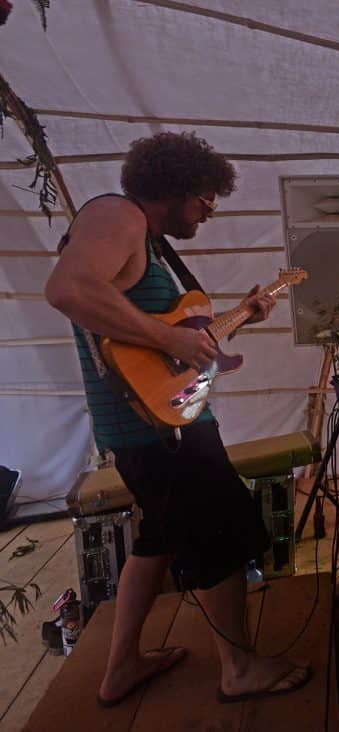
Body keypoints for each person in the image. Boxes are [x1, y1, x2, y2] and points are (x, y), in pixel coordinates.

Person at [43, 133, 310, 705]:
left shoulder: (150, 242)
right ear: (176, 186)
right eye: (206, 197)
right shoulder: (116, 215)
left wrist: (241, 317)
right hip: (157, 431)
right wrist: (170, 338)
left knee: (158, 537)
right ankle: (238, 668)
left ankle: (121, 668)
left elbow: (179, 341)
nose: (210, 210)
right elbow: (68, 288)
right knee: (222, 533)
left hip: (150, 425)